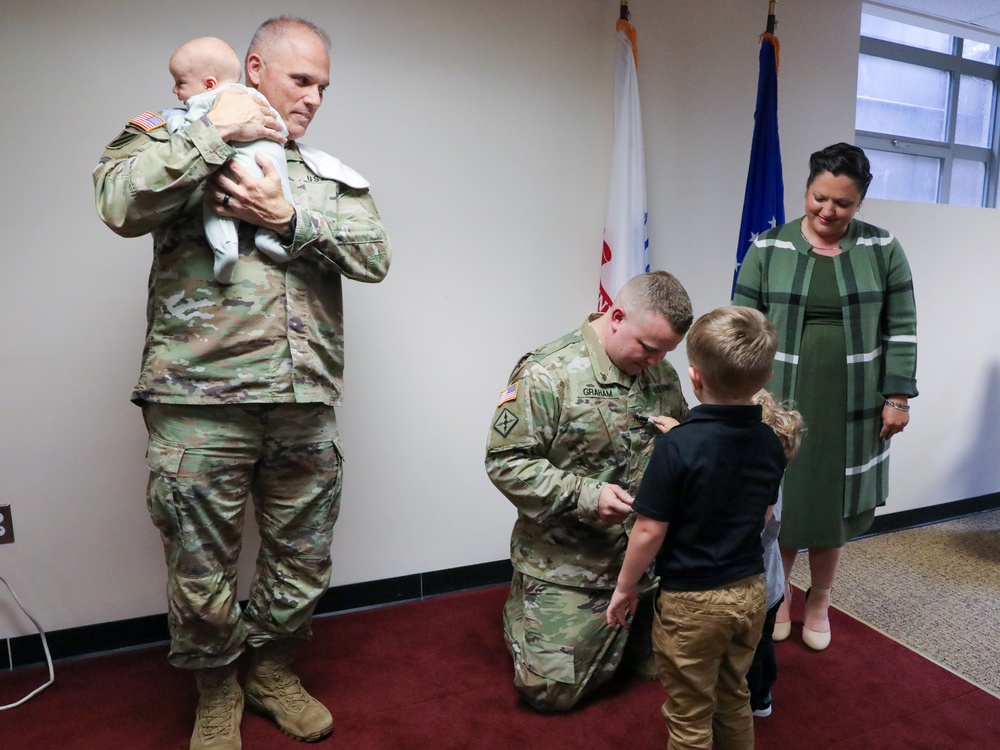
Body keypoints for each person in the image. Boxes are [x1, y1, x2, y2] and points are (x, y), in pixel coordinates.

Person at [93, 16, 391, 750]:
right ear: (254, 68)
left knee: (304, 554)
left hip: (303, 402)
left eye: (324, 85)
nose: (315, 97)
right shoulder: (174, 135)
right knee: (200, 563)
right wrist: (211, 135)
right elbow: (118, 203)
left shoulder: (326, 176)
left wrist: (290, 219)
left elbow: (376, 254)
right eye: (302, 80)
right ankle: (217, 686)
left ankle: (272, 670)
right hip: (200, 401)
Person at [733, 142, 918, 651]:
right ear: (807, 188)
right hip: (781, 394)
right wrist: (743, 396)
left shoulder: (883, 249)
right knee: (785, 499)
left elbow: (901, 327)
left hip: (855, 399)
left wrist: (898, 396)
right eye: (819, 198)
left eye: (843, 203)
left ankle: (821, 599)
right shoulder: (768, 248)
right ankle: (783, 595)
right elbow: (742, 327)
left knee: (833, 507)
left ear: (860, 202)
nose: (827, 211)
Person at [484, 271, 693, 712]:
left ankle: (629, 618)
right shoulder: (547, 372)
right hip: (572, 561)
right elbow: (505, 463)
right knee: (550, 693)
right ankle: (523, 606)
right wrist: (584, 494)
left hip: (644, 561)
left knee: (674, 668)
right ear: (616, 317)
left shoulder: (661, 374)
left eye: (666, 351)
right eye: (648, 347)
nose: (656, 361)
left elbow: (681, 442)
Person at [605, 305, 793, 750]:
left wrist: (625, 587)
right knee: (733, 697)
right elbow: (763, 515)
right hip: (749, 592)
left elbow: (649, 530)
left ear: (694, 377)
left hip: (692, 603)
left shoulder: (676, 447)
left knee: (689, 713)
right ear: (765, 378)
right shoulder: (770, 440)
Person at [164, 36, 294, 284]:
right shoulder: (251, 96)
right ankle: (271, 237)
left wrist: (173, 120)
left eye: (180, 82)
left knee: (217, 202)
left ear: (208, 84)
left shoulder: (207, 101)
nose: (175, 90)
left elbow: (190, 132)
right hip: (271, 158)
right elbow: (280, 127)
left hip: (239, 165)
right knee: (281, 195)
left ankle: (225, 250)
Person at [746, 390, 803, 719]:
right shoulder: (772, 475)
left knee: (753, 648)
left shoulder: (764, 490)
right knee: (761, 643)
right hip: (770, 586)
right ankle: (761, 693)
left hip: (758, 586)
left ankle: (756, 696)